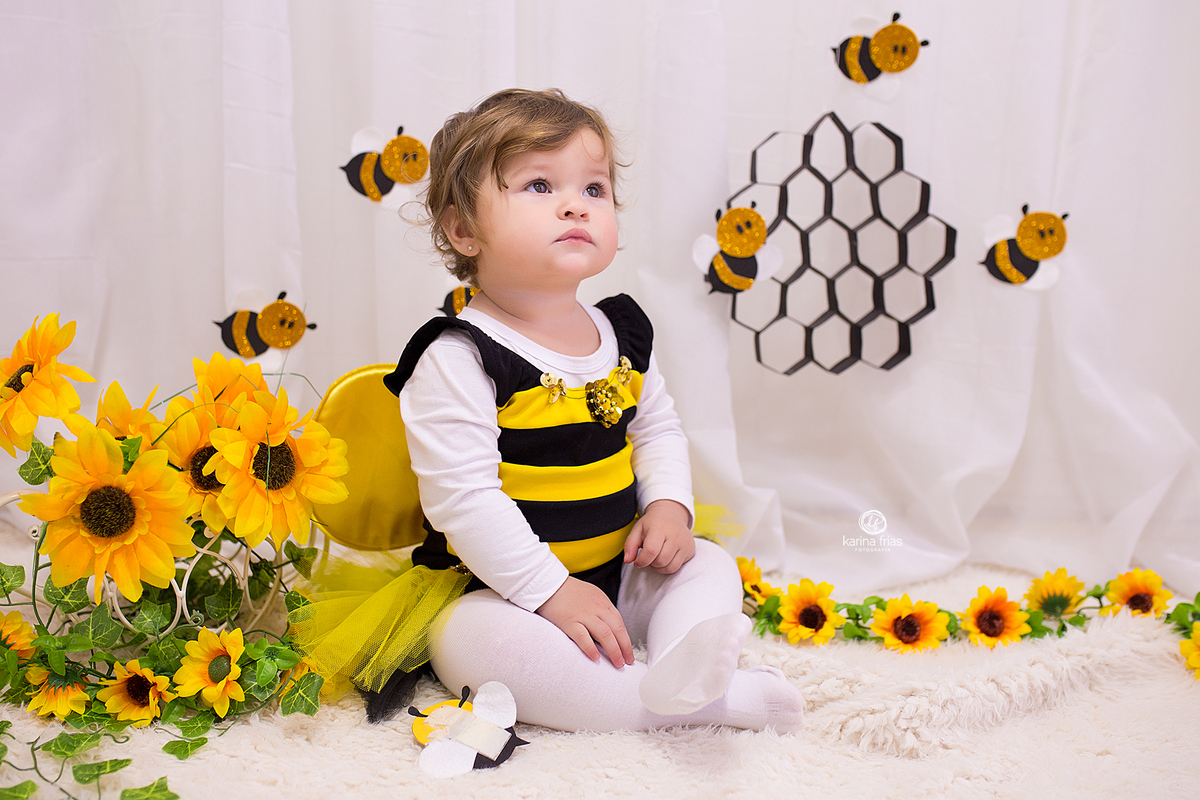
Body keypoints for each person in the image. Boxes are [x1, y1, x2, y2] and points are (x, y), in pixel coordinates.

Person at [384, 88, 804, 732]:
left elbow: (656, 427)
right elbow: (463, 499)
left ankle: (679, 663)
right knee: (475, 647)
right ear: (464, 229)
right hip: (499, 590)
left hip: (618, 567)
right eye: (538, 185)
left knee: (709, 563)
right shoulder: (458, 356)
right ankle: (686, 707)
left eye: (595, 188)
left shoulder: (620, 334)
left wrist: (668, 506)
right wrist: (550, 591)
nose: (575, 204)